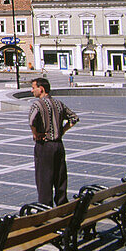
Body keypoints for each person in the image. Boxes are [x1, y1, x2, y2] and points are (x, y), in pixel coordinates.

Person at [28, 76, 79, 206]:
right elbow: (74, 118)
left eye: (34, 88)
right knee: (60, 178)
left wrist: (36, 134)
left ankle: (45, 208)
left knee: (44, 180)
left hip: (45, 146)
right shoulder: (58, 103)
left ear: (41, 89)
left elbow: (32, 121)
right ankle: (62, 206)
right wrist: (62, 130)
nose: (31, 91)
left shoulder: (37, 104)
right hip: (58, 145)